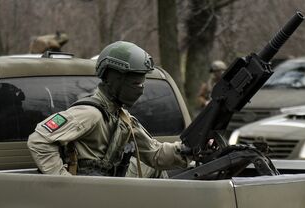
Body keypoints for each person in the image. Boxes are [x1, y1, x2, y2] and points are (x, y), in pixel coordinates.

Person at [27, 41, 189, 177]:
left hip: (109, 187)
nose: (141, 89)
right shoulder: (90, 113)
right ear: (115, 80)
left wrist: (188, 149)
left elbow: (155, 154)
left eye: (142, 84)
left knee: (153, 169)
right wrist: (65, 183)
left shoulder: (121, 117)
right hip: (91, 192)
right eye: (136, 84)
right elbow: (40, 140)